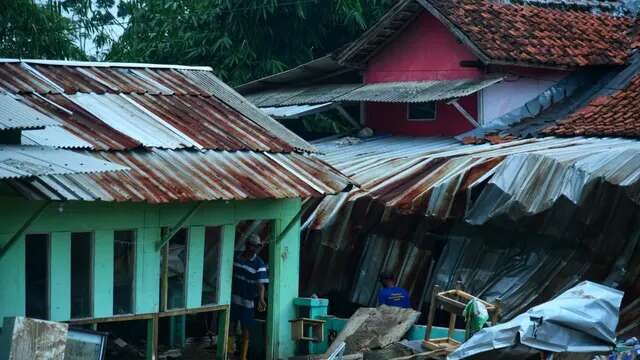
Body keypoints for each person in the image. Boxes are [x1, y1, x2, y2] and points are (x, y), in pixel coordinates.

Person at [230, 234, 269, 360]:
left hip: (247, 301)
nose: (254, 249)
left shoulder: (259, 264)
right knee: (231, 324)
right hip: (232, 298)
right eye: (252, 246)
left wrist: (262, 299)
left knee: (246, 327)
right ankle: (229, 353)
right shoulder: (236, 256)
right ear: (247, 245)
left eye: (256, 247)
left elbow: (261, 285)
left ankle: (243, 356)